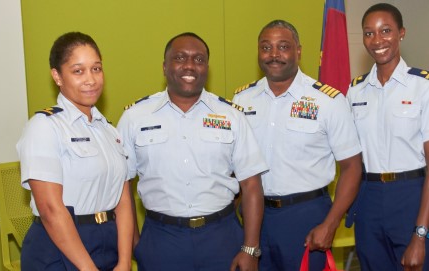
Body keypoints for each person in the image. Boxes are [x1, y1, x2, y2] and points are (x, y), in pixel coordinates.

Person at [117, 32, 268, 271]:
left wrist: (250, 248)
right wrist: (137, 245)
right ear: (165, 67)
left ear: (207, 68)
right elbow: (122, 186)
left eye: (198, 59)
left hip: (222, 237)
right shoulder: (134, 118)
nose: (189, 65)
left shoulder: (231, 116)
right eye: (180, 58)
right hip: (161, 239)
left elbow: (251, 185)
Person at [233, 20, 363, 271]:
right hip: (254, 217)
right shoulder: (242, 100)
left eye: (283, 47)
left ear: (298, 51)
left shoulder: (328, 101)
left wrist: (330, 224)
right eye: (266, 47)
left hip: (306, 217)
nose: (274, 55)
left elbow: (352, 167)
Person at [347, 3, 429, 270]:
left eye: (386, 30)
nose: (377, 40)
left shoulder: (425, 86)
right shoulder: (355, 91)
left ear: (401, 33)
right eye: (369, 33)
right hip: (368, 198)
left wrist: (420, 234)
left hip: (412, 197)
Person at [17, 32, 134, 271]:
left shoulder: (109, 131)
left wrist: (123, 262)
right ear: (57, 76)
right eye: (78, 71)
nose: (91, 79)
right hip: (58, 248)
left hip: (109, 244)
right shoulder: (44, 127)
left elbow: (122, 201)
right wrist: (89, 269)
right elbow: (51, 210)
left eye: (96, 69)